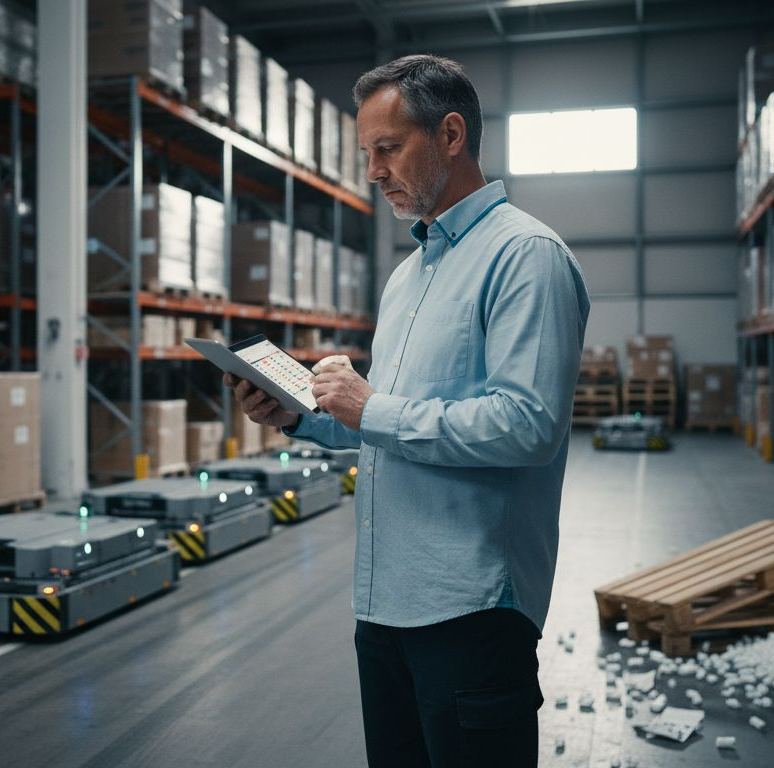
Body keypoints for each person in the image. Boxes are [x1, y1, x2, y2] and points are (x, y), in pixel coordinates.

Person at [226, 54, 590, 768]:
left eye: (388, 149)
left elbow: (527, 426)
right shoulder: (409, 274)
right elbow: (387, 424)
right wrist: (300, 413)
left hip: (471, 610)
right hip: (383, 607)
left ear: (451, 135)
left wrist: (368, 406)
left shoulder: (525, 256)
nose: (374, 171)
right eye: (368, 153)